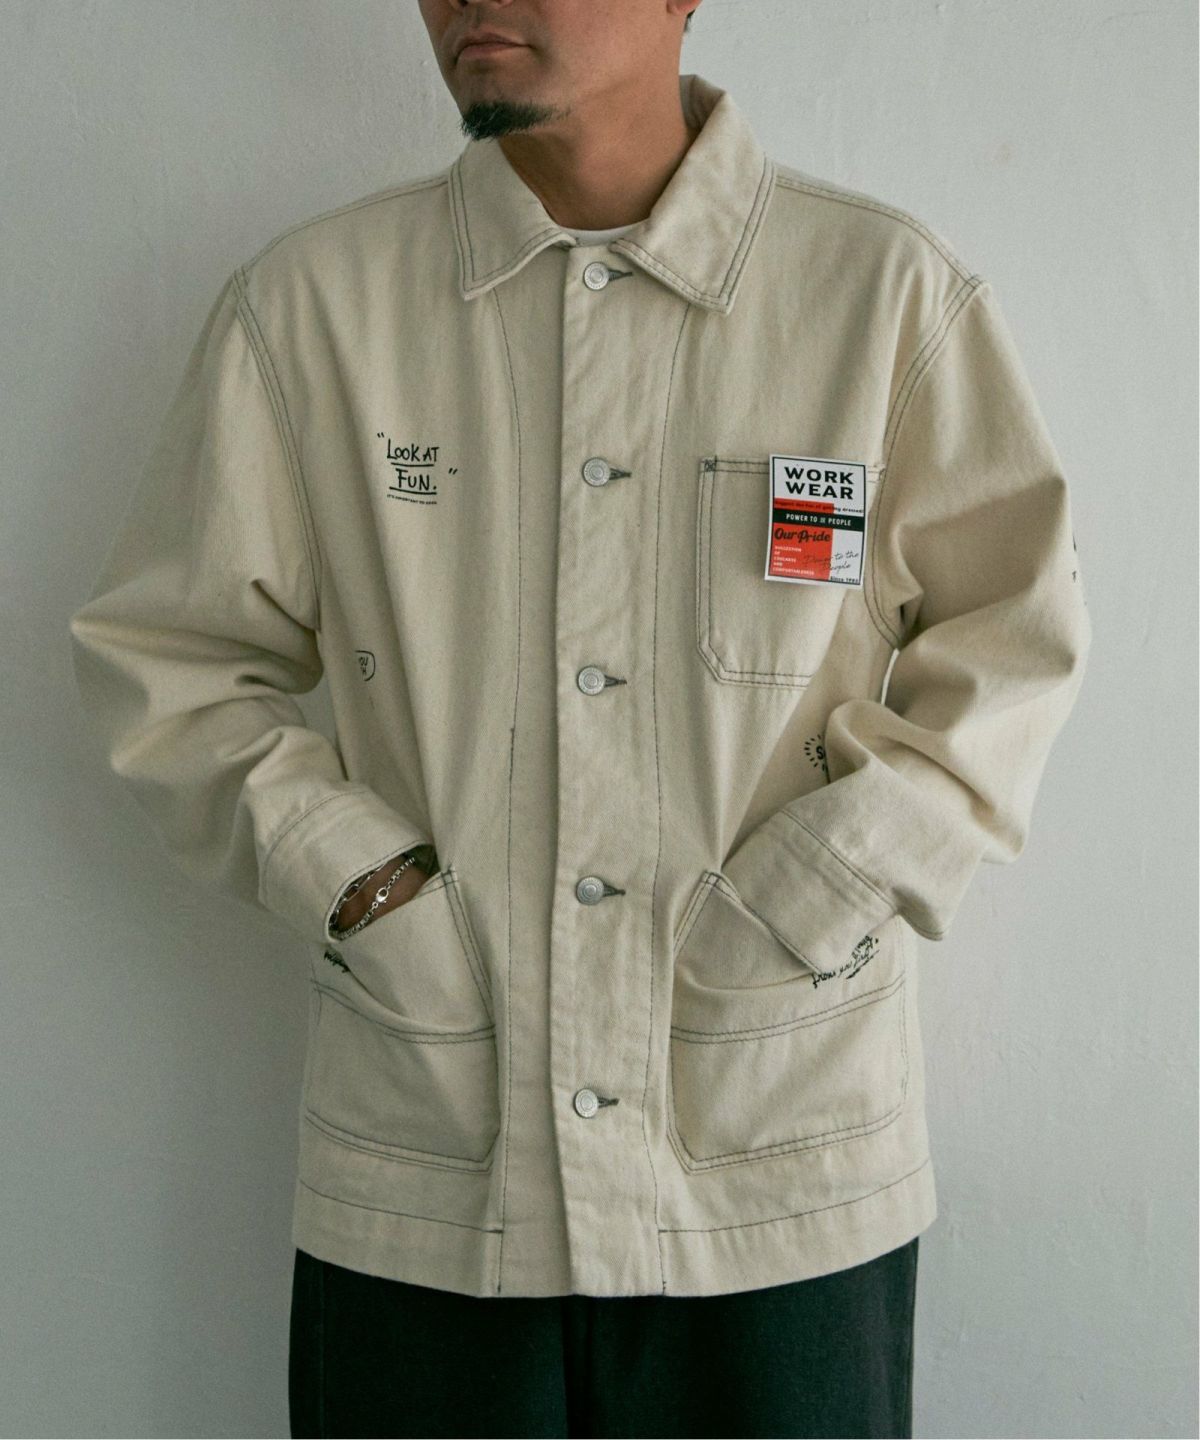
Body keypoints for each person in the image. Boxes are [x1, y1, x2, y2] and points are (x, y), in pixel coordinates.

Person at [67, 1, 1092, 1434]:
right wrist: (360, 885)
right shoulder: (315, 311)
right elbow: (170, 660)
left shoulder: (877, 299)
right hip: (432, 1170)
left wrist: (817, 889)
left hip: (778, 1164)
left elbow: (1015, 641)